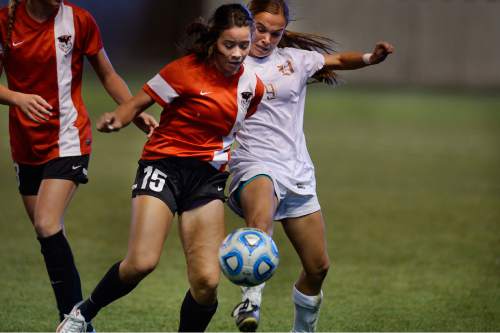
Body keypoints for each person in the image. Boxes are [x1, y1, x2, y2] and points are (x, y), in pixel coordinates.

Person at [56, 3, 264, 333]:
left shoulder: (253, 86)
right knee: (142, 262)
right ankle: (82, 314)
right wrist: (117, 120)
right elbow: (137, 103)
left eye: (244, 44)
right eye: (229, 44)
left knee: (207, 283)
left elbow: (234, 130)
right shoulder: (183, 71)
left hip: (207, 179)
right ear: (213, 41)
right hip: (163, 166)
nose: (238, 53)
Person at [227, 0, 394, 332]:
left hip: (297, 172)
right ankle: (251, 300)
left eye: (276, 33)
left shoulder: (295, 61)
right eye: (260, 28)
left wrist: (369, 59)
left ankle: (303, 330)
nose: (266, 39)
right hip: (253, 163)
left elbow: (338, 60)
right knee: (260, 220)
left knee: (318, 267)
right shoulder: (230, 62)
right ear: (247, 23)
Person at [0, 0, 157, 330]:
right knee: (49, 233)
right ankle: (76, 320)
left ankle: (73, 320)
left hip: (69, 139)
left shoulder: (80, 21)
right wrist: (17, 98)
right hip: (25, 144)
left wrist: (132, 110)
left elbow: (108, 73)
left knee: (46, 222)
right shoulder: (5, 23)